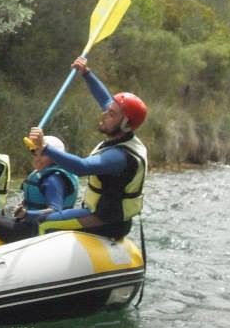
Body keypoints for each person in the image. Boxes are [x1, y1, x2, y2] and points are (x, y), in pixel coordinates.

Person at [26, 57, 148, 240]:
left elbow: (82, 167)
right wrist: (86, 73)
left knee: (44, 222)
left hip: (106, 222)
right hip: (102, 213)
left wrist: (45, 147)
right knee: (34, 217)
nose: (104, 114)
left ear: (126, 125)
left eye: (111, 114)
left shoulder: (120, 156)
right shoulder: (122, 133)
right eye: (107, 110)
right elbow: (105, 99)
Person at [0, 136, 80, 243]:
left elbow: (56, 212)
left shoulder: (53, 179)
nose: (37, 157)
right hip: (29, 225)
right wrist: (22, 207)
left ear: (56, 157)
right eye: (35, 152)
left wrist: (26, 214)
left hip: (39, 232)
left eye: (43, 154)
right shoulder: (41, 174)